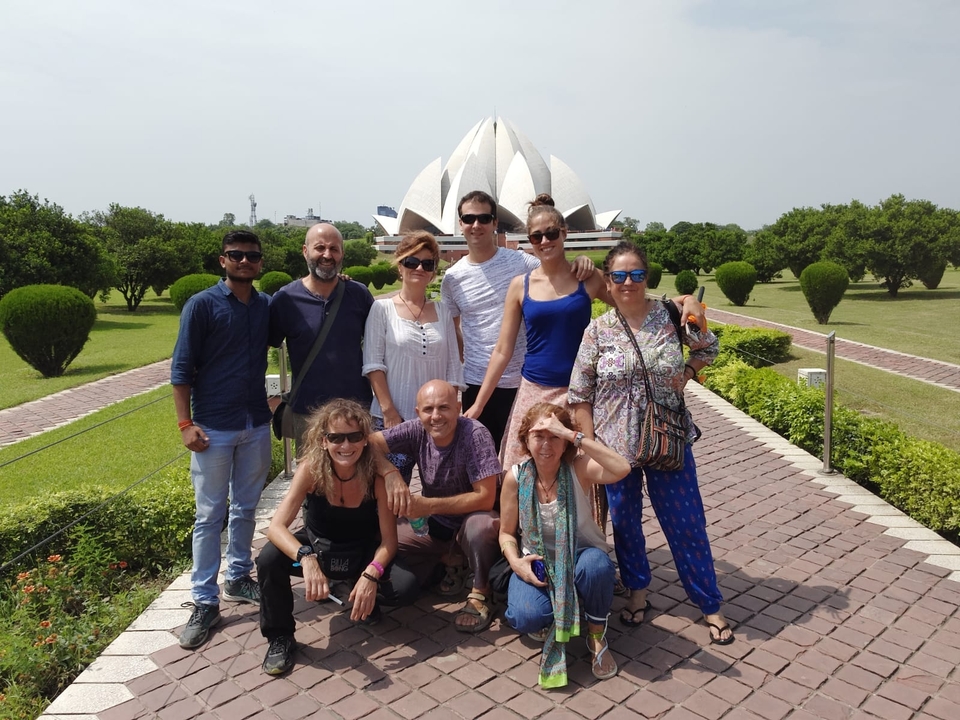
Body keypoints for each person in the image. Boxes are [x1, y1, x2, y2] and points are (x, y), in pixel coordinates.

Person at [568, 241, 734, 645]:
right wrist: (590, 446)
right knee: (626, 526)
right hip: (616, 447)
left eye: (637, 274)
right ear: (608, 281)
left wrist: (688, 372)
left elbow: (708, 346)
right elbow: (580, 393)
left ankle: (709, 602)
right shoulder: (597, 330)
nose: (628, 282)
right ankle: (637, 590)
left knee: (686, 522)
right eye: (620, 275)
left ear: (647, 277)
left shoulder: (670, 316)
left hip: (667, 439)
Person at [256, 399, 418, 676]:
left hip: (361, 554)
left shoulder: (376, 478)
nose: (345, 445)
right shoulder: (311, 470)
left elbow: (389, 542)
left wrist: (371, 574)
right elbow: (276, 527)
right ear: (323, 441)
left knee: (406, 586)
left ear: (365, 440)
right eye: (336, 438)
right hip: (318, 550)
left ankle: (359, 590)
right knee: (269, 559)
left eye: (354, 437)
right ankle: (280, 636)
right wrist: (306, 558)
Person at [171, 230, 273, 649]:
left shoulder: (265, 306)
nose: (244, 261)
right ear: (223, 260)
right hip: (213, 427)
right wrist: (185, 424)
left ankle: (237, 577)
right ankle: (204, 600)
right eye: (236, 254)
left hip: (255, 423)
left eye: (251, 256)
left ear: (260, 262)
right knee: (210, 515)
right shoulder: (202, 305)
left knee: (247, 507)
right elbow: (181, 369)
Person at [440, 190, 595, 453]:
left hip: (523, 382)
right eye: (469, 218)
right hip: (477, 381)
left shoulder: (522, 262)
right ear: (460, 223)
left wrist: (581, 261)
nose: (476, 224)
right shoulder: (452, 278)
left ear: (495, 222)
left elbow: (556, 269)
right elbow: (453, 331)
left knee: (535, 456)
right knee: (484, 461)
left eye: (484, 218)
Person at [499, 403, 631, 688]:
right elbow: (506, 533)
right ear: (526, 439)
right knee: (525, 617)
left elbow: (622, 468)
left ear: (564, 442)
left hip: (581, 556)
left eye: (554, 437)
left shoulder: (577, 469)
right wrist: (516, 563)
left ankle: (595, 633)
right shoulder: (516, 477)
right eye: (539, 436)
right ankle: (562, 606)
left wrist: (574, 435)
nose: (546, 445)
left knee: (596, 567)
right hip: (538, 562)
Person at [369, 380, 502, 633]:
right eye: (428, 409)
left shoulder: (475, 434)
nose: (436, 416)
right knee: (382, 535)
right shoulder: (416, 429)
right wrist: (390, 473)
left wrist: (427, 506)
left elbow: (486, 497)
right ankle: (451, 561)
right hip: (437, 524)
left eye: (444, 407)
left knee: (481, 526)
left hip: (472, 520)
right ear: (418, 412)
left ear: (458, 408)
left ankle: (482, 591)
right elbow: (369, 443)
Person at [363, 231, 464, 482]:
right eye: (411, 261)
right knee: (391, 489)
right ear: (400, 266)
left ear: (433, 271)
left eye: (427, 264)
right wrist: (389, 410)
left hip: (435, 420)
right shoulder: (382, 309)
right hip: (393, 419)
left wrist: (449, 414)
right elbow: (374, 364)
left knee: (442, 486)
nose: (419, 268)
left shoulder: (443, 311)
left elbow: (453, 367)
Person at [269, 223, 374, 448]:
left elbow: (380, 346)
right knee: (311, 471)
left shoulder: (358, 295)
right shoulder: (286, 299)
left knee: (360, 470)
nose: (327, 255)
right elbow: (263, 347)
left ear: (342, 253)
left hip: (356, 412)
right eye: (320, 248)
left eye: (334, 249)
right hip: (307, 415)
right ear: (305, 251)